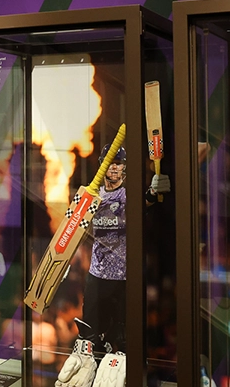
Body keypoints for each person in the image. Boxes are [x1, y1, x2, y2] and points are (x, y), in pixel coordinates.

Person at [55, 144, 170, 387]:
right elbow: (73, 226)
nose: (115, 167)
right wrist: (63, 258)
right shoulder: (91, 197)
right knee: (90, 337)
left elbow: (146, 199)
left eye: (119, 163)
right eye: (111, 162)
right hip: (97, 275)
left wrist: (154, 189)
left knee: (125, 341)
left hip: (126, 279)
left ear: (125, 168)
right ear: (102, 165)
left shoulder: (128, 196)